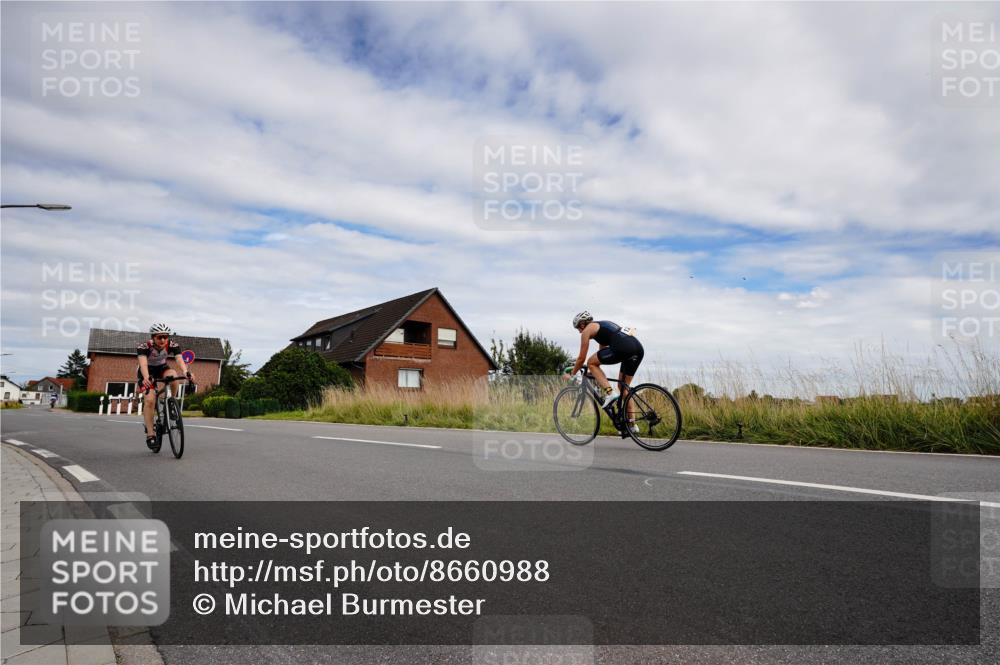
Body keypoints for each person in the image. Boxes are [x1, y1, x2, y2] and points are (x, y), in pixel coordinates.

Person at [564, 311, 645, 434]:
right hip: (637, 348)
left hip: (623, 347)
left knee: (590, 362)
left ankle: (609, 393)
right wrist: (594, 373)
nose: (580, 332)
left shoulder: (587, 330)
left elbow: (582, 358)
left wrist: (574, 373)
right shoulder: (603, 328)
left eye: (578, 329)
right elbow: (601, 358)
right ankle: (632, 425)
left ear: (582, 324)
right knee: (623, 388)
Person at [137, 323, 192, 449]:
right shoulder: (144, 346)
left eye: (165, 337)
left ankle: (171, 402)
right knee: (150, 400)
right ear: (153, 337)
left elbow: (179, 359)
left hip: (162, 368)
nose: (163, 340)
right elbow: (143, 364)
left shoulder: (172, 345)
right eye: (160, 337)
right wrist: (146, 377)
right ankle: (150, 434)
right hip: (147, 372)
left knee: (173, 375)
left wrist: (186, 372)